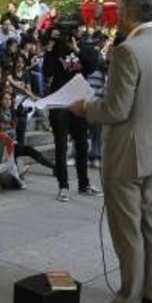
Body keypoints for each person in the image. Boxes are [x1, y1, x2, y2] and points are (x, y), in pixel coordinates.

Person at [68, 0, 152, 303]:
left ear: (128, 13)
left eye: (118, 9)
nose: (115, 16)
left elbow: (116, 109)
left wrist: (85, 106)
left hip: (126, 154)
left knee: (128, 229)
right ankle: (150, 290)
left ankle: (128, 302)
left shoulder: (128, 51)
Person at [43, 28, 102, 202]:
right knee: (61, 145)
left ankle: (84, 184)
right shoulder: (55, 49)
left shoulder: (82, 48)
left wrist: (76, 49)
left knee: (82, 144)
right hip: (60, 102)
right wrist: (50, 46)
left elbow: (91, 67)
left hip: (78, 103)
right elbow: (47, 72)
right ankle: (63, 186)